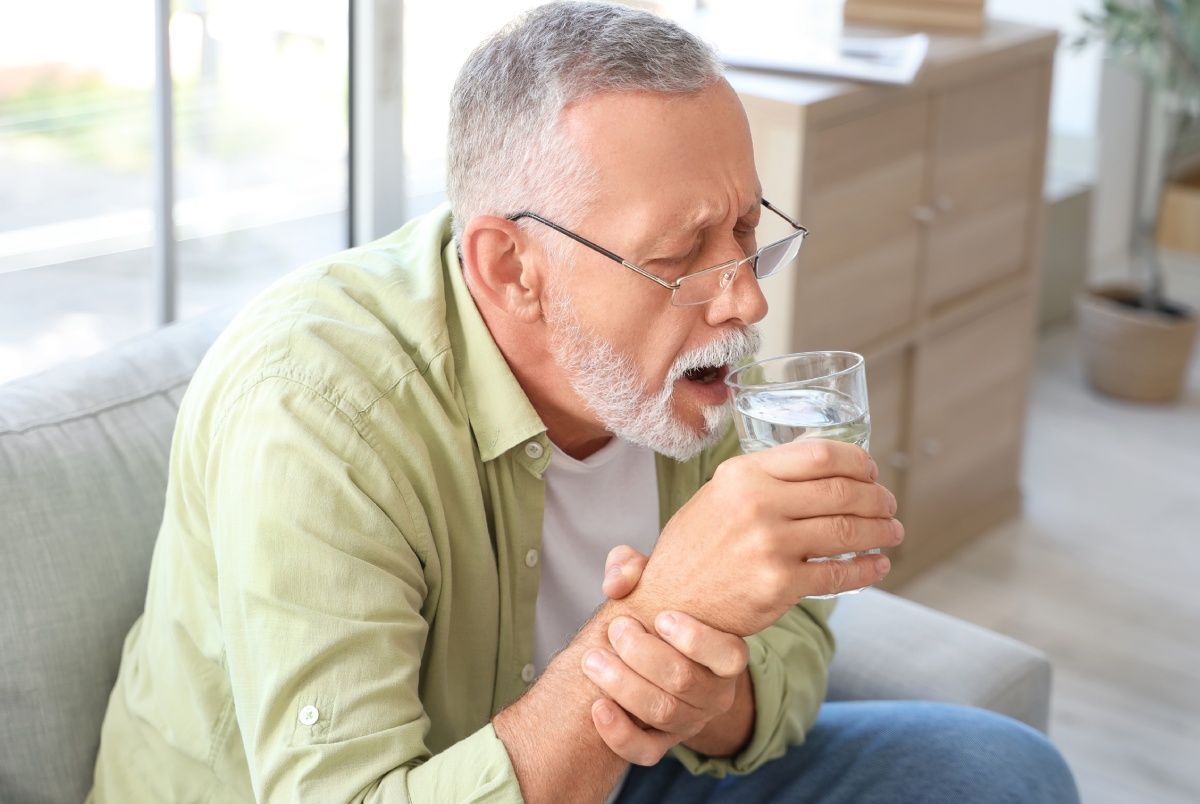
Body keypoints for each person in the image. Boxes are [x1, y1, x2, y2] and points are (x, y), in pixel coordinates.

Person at [89, 3, 1080, 802]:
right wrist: (657, 616)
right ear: (511, 266)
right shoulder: (317, 411)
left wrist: (706, 698)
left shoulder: (684, 351)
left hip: (613, 761)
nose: (744, 295)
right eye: (678, 253)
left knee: (1004, 770)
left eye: (744, 226)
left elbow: (793, 645)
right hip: (454, 778)